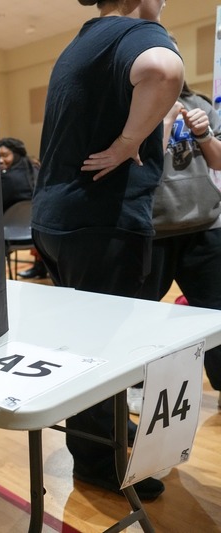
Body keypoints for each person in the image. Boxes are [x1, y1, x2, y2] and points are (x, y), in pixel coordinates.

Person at [30, 0, 183, 501]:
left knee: (81, 343)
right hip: (101, 222)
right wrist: (127, 142)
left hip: (58, 218)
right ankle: (98, 460)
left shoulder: (82, 42)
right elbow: (163, 70)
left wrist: (134, 136)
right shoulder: (136, 34)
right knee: (103, 352)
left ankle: (103, 434)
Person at [134, 76, 221, 410]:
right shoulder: (132, 107)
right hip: (151, 230)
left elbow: (218, 161)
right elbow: (136, 164)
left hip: (205, 225)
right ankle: (135, 386)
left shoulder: (200, 104)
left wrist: (204, 134)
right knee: (139, 316)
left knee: (216, 313)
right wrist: (166, 121)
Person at [0, 137, 46, 278]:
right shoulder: (37, 171)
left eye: (5, 155)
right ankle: (41, 266)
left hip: (10, 236)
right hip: (37, 235)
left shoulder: (5, 180)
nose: (0, 160)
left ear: (16, 154)